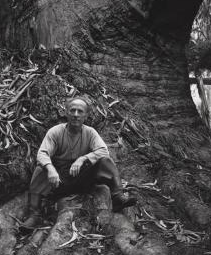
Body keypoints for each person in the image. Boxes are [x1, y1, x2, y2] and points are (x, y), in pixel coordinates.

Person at [23, 97, 136, 229]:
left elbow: (103, 151)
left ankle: (117, 197)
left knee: (106, 161)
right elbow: (42, 153)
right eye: (72, 110)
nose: (76, 114)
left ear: (86, 115)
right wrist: (51, 169)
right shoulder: (55, 132)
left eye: (80, 111)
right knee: (41, 168)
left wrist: (82, 159)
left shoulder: (90, 132)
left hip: (81, 179)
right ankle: (34, 215)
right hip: (59, 182)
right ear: (66, 113)